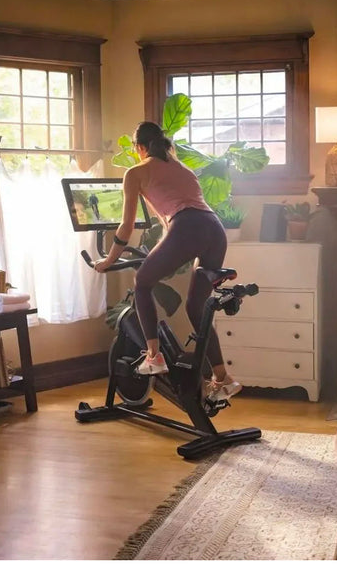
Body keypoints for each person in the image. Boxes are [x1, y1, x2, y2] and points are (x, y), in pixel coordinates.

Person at [93, 121, 240, 403]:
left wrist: (109, 260)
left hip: (187, 227)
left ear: (139, 147)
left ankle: (153, 355)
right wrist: (161, 249)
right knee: (196, 307)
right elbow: (170, 222)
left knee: (142, 282)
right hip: (214, 229)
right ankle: (222, 377)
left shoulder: (136, 172)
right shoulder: (182, 168)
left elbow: (126, 227)